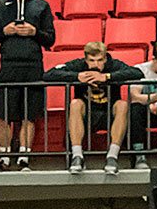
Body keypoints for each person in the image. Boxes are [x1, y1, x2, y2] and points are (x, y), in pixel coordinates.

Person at [0, 0, 54, 168]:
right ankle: (4, 156)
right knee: (3, 113)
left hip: (33, 65)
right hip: (8, 64)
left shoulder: (42, 5)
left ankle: (24, 156)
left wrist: (34, 32)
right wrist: (4, 32)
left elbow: (50, 38)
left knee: (29, 114)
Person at [44, 41, 142, 176]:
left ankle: (112, 157)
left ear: (105, 58)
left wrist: (107, 77)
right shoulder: (78, 65)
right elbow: (49, 74)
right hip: (86, 115)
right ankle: (77, 157)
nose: (96, 64)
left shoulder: (113, 64)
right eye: (92, 60)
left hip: (109, 114)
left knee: (122, 104)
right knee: (75, 104)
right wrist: (77, 76)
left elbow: (137, 73)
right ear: (86, 60)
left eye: (100, 60)